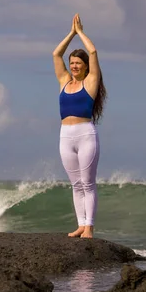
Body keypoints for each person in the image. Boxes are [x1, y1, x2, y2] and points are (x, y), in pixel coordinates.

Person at [53, 13, 107, 239]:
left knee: (87, 183)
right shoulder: (65, 81)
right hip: (65, 135)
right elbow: (56, 54)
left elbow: (93, 52)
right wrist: (71, 33)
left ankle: (90, 228)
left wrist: (81, 33)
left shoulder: (91, 82)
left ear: (85, 67)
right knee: (76, 184)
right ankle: (80, 225)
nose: (74, 66)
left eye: (78, 63)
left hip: (85, 134)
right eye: (72, 63)